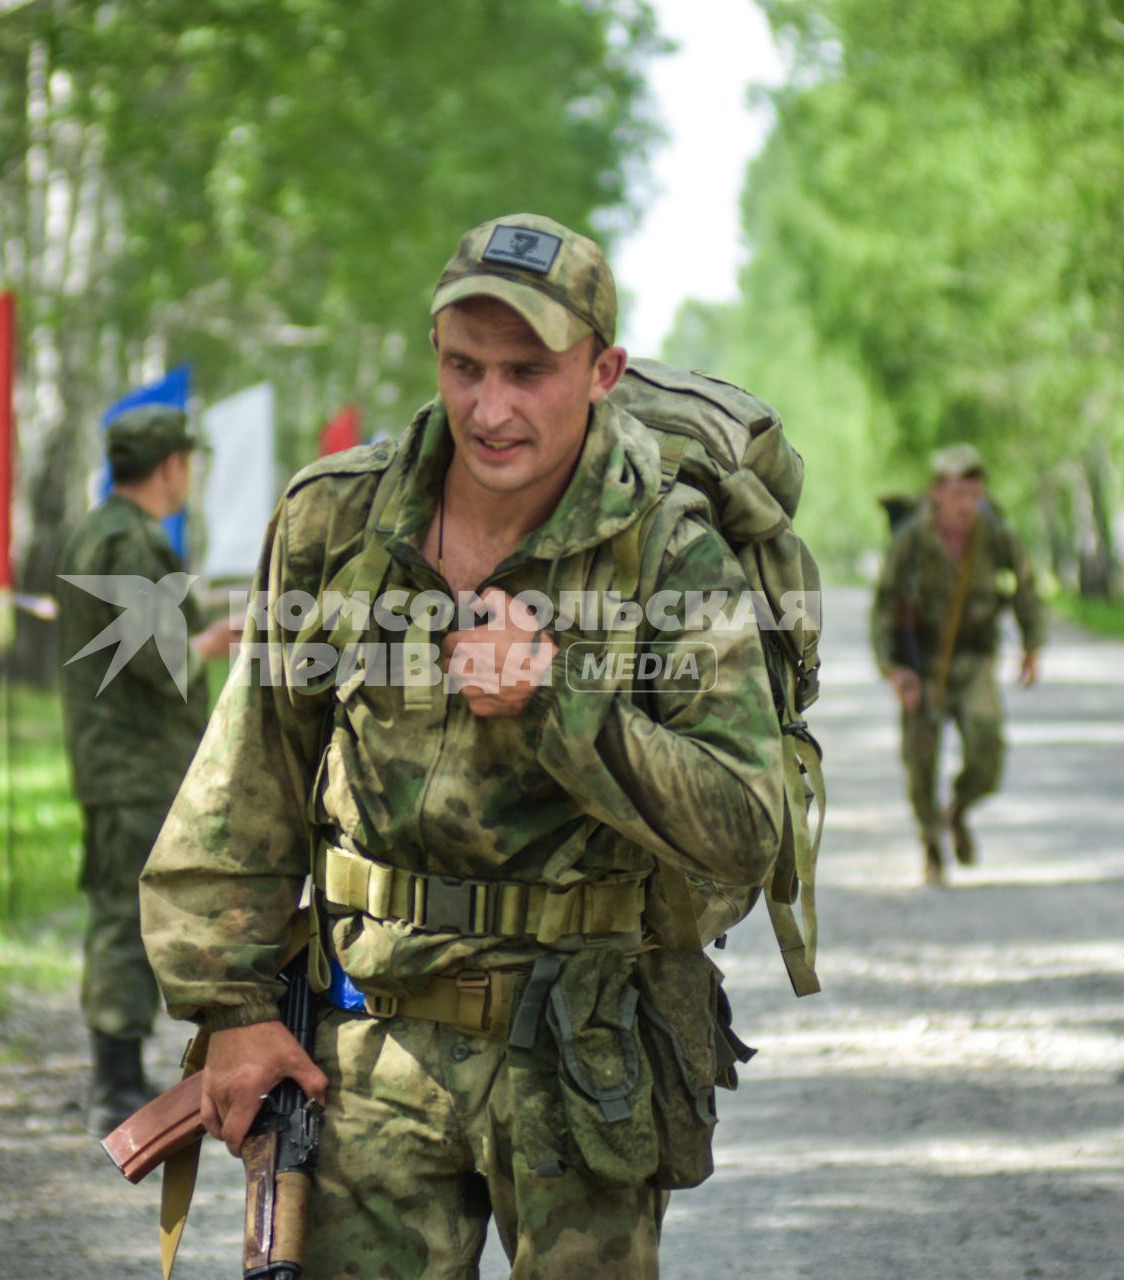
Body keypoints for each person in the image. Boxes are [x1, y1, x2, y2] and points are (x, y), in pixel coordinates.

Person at [139, 213, 792, 1274]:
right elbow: (247, 771)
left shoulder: (672, 548)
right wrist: (234, 1008)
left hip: (580, 1049)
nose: (491, 408)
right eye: (464, 366)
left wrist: (557, 708)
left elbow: (743, 823)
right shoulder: (337, 523)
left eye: (529, 371)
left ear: (602, 370)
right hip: (368, 1044)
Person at [57, 403, 235, 1134]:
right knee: (129, 918)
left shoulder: (97, 531)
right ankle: (117, 1085)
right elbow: (156, 663)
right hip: (136, 763)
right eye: (185, 463)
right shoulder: (131, 541)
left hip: (115, 760)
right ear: (170, 467)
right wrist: (216, 640)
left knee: (120, 911)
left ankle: (118, 1072)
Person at [869, 444, 1043, 886]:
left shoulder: (993, 532)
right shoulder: (912, 538)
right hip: (922, 661)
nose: (968, 503)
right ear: (936, 493)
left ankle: (958, 809)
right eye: (958, 492)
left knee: (988, 750)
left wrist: (1031, 643)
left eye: (975, 493)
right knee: (920, 759)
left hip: (974, 657)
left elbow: (1025, 583)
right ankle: (931, 841)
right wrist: (894, 670)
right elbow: (886, 604)